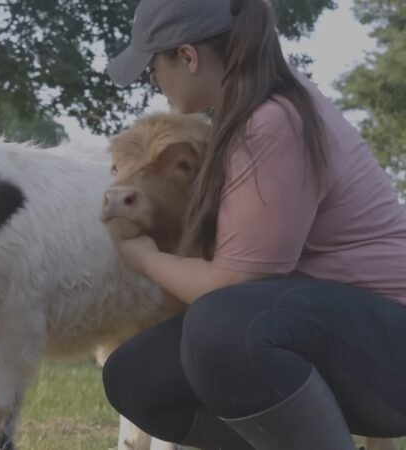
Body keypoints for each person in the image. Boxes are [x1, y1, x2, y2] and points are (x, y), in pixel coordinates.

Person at [101, 0, 406, 449]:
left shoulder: (272, 118)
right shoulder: (255, 104)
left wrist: (144, 257)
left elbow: (233, 283)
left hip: (389, 346)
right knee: (137, 374)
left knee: (225, 324)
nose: (154, 81)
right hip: (341, 336)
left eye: (153, 66)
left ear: (188, 57)